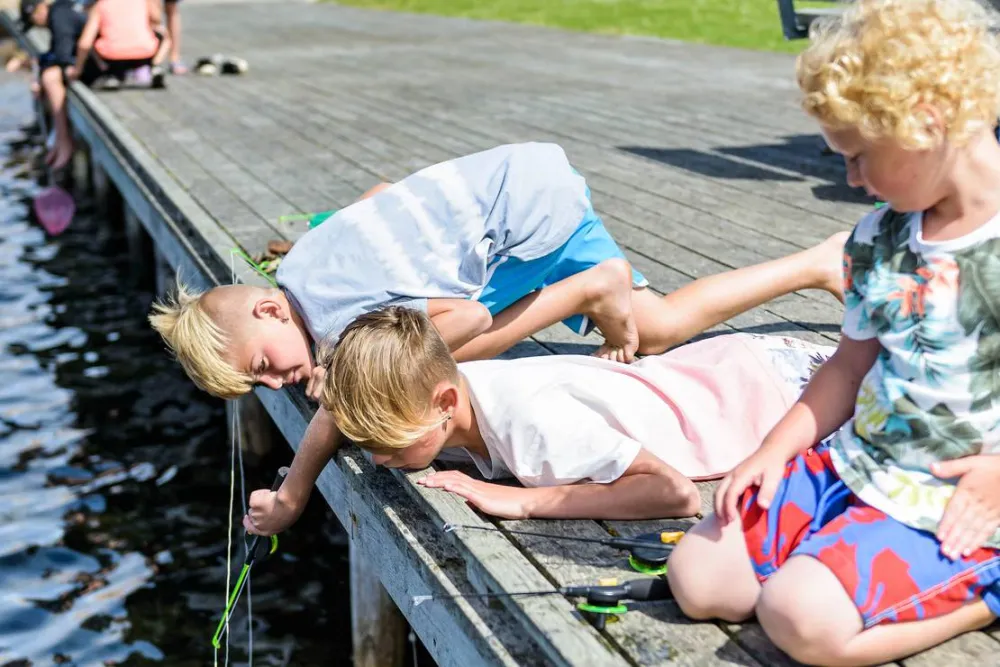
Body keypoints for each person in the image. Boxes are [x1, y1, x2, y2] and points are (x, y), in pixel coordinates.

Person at [150, 142, 846, 534]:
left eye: (267, 367)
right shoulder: (301, 265)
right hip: (525, 185)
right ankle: (815, 262)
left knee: (417, 361)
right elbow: (380, 190)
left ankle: (586, 287)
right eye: (263, 384)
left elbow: (470, 321)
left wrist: (296, 490)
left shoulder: (335, 325)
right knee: (657, 326)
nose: (279, 384)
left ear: (273, 313)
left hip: (523, 222)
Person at [665, 1, 1000, 664]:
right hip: (857, 464)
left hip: (957, 496)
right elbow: (848, 368)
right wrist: (771, 448)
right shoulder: (879, 236)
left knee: (800, 619)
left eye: (859, 156)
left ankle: (983, 590)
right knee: (699, 579)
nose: (849, 178)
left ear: (925, 125)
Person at [297, 306, 834, 522]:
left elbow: (675, 494)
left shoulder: (533, 427)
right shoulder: (458, 389)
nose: (376, 455)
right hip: (723, 369)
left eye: (387, 440)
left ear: (443, 405)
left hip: (780, 395)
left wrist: (529, 502)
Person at [18, 0, 87, 169]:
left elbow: (62, 57)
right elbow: (55, 52)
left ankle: (63, 142)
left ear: (40, 8)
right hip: (95, 59)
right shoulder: (60, 11)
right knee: (47, 73)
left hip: (104, 62)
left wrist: (40, 73)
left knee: (50, 77)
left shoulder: (59, 17)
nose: (38, 26)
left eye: (33, 19)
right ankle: (57, 140)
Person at [72, 0, 170, 90]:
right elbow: (156, 19)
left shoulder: (100, 4)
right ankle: (155, 66)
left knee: (94, 37)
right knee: (163, 34)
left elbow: (84, 43)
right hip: (144, 54)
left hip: (112, 57)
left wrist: (77, 70)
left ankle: (111, 74)